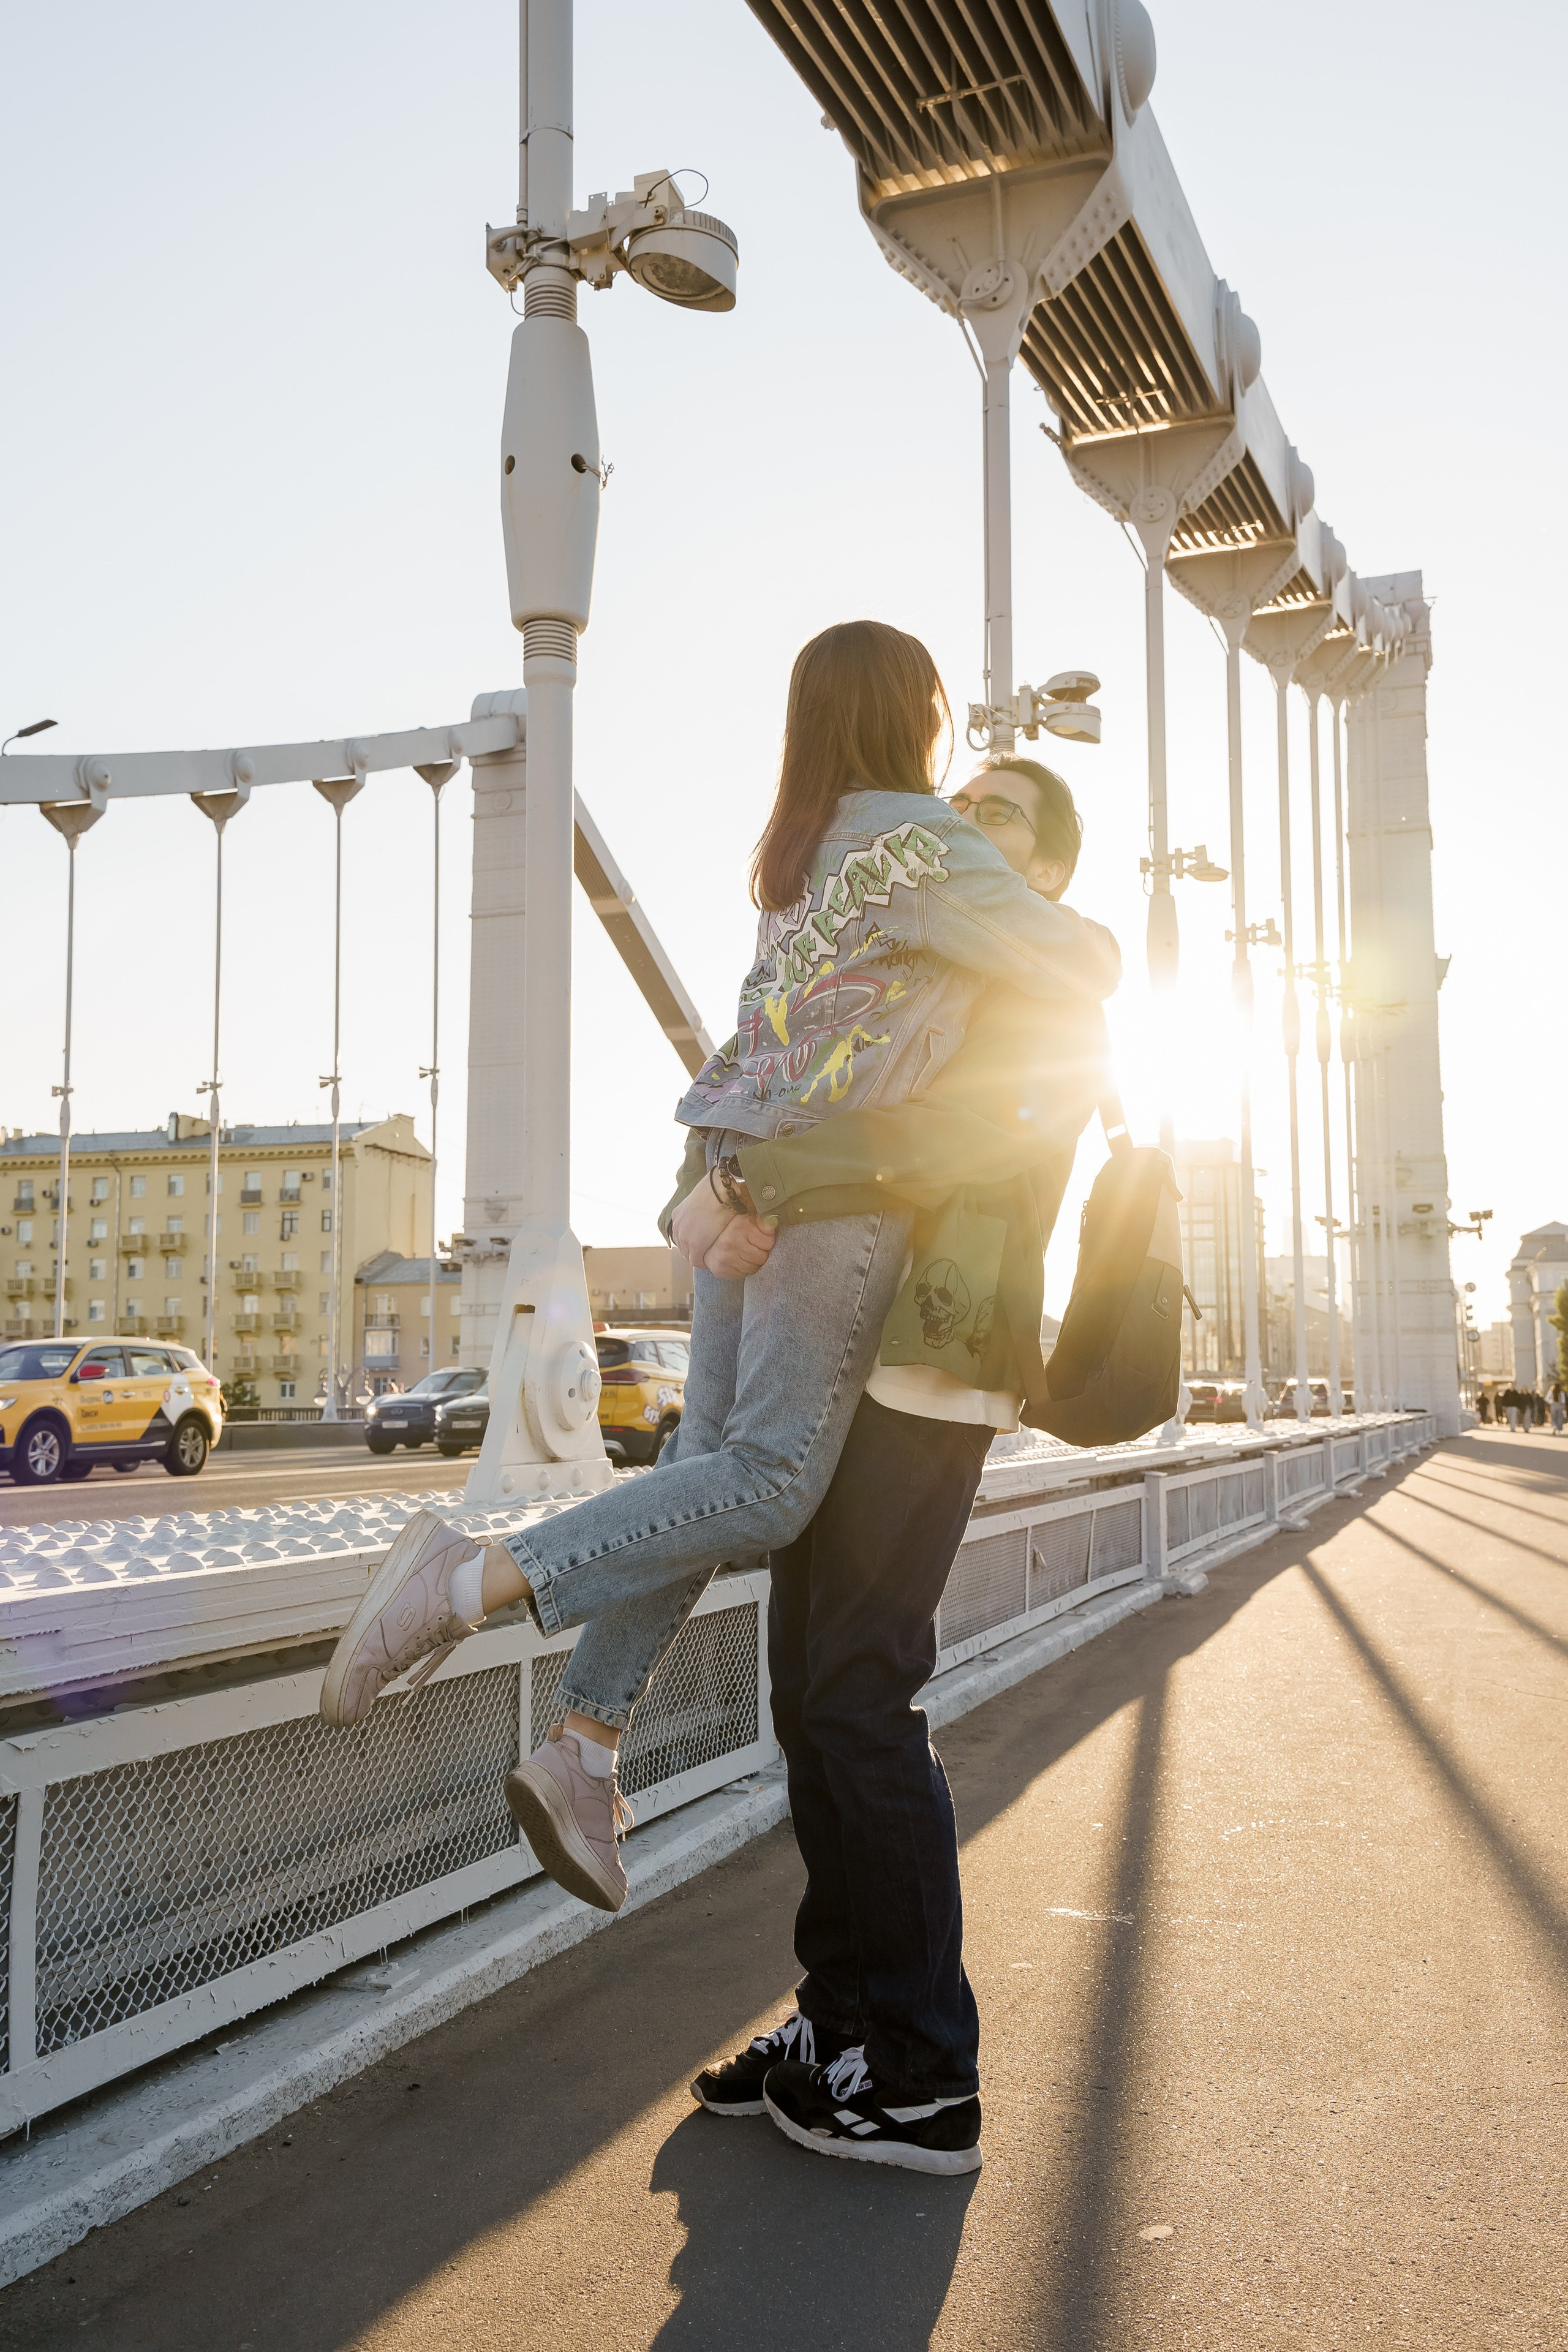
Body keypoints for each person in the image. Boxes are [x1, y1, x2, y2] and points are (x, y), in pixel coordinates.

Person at [320, 622, 1120, 1913]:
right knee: (768, 1484)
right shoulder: (926, 840)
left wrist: (706, 1197)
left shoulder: (800, 854)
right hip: (828, 1189)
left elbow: (771, 1041)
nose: (954, 754)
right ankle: (464, 1581)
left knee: (704, 1466)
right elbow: (1086, 964)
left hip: (727, 1171)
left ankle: (584, 1744)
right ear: (911, 710)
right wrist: (1045, 903)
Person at [683, 755, 1109, 2174]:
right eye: (955, 797)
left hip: (928, 1365)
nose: (951, 823)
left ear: (1037, 871)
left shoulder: (1034, 993)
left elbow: (949, 1142)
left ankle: (924, 2070)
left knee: (860, 1692)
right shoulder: (918, 976)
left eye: (991, 815)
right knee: (806, 1695)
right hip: (841, 1356)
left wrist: (775, 1179)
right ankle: (842, 2018)